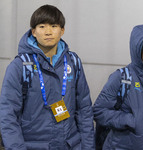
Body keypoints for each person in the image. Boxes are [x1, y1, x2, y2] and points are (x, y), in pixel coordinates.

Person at [0, 5, 95, 150]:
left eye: (54, 26)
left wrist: (88, 147)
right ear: (33, 32)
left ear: (62, 30)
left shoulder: (73, 62)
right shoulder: (20, 66)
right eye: (42, 26)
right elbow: (8, 116)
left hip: (70, 145)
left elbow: (84, 110)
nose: (48, 32)